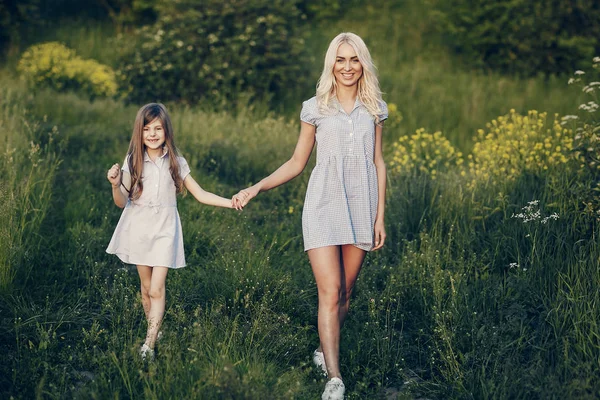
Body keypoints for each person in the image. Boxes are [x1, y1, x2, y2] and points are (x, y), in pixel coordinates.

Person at [232, 32, 388, 400]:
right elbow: (296, 163)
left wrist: (380, 216)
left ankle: (322, 350)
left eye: (354, 60)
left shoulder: (376, 108)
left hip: (362, 206)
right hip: (322, 206)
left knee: (346, 291)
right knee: (329, 291)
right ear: (330, 64)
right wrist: (256, 187)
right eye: (340, 59)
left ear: (362, 63)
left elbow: (378, 162)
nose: (347, 67)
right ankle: (334, 378)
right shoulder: (315, 107)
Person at [106, 103, 239, 361]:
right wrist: (114, 184)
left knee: (157, 288)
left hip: (165, 229)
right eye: (147, 129)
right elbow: (122, 201)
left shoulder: (176, 161)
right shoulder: (132, 160)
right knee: (145, 288)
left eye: (158, 128)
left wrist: (229, 202)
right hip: (138, 228)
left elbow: (200, 194)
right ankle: (154, 329)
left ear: (166, 131)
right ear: (139, 132)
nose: (153, 134)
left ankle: (149, 345)